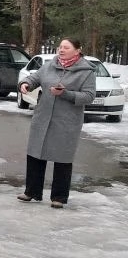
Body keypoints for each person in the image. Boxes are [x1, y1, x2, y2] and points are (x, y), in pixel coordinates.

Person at [16, 38, 96, 208]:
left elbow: (89, 96)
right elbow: (34, 78)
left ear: (77, 50)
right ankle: (31, 192)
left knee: (63, 159)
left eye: (66, 47)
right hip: (43, 118)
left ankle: (58, 197)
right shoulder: (49, 65)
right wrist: (25, 84)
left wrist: (66, 94)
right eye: (60, 47)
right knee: (35, 155)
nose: (61, 50)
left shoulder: (86, 71)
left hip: (67, 122)